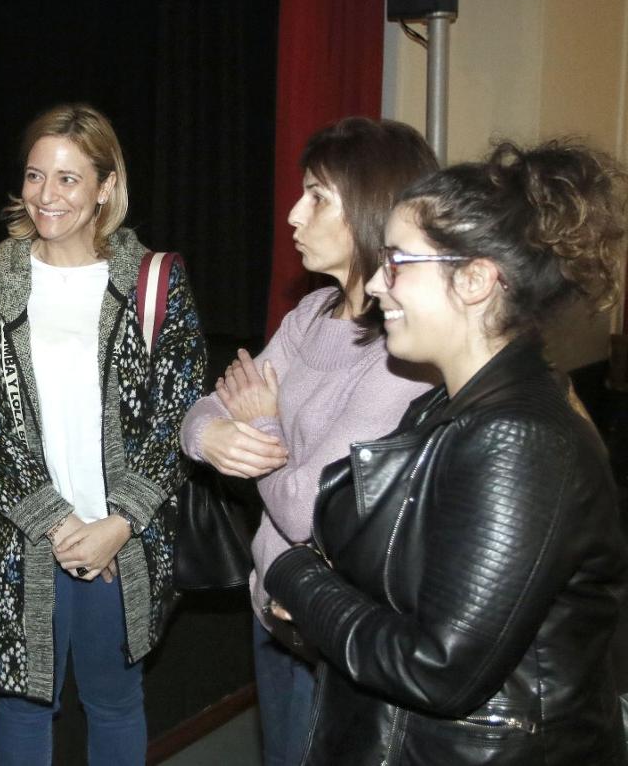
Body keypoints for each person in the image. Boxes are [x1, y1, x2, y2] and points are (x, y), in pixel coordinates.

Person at [265, 140, 628, 764]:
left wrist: (294, 577)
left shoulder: (520, 439)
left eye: (399, 262)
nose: (377, 283)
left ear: (476, 279)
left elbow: (438, 667)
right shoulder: (447, 406)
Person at [0, 103, 207, 765]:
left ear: (105, 186)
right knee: (24, 705)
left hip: (123, 537)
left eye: (68, 179)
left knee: (116, 700)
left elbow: (175, 415)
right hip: (19, 536)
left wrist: (119, 522)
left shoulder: (155, 281)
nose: (46, 195)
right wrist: (57, 523)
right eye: (36, 176)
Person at [180, 116, 437, 766]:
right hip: (275, 608)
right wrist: (213, 436)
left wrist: (262, 423)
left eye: (317, 196)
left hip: (341, 635)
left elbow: (308, 507)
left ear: (373, 210)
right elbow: (201, 410)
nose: (294, 214)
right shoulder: (311, 314)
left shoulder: (403, 351)